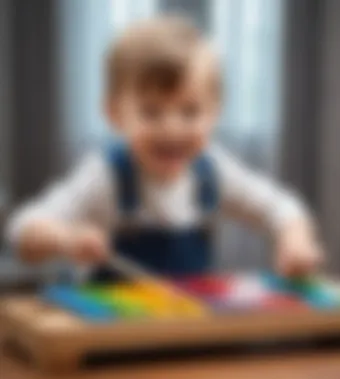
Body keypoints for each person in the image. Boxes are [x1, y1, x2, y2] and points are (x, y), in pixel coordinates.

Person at [6, 16, 323, 282]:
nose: (171, 129)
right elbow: (22, 229)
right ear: (115, 114)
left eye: (190, 112)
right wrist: (66, 239)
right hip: (113, 338)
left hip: (187, 331)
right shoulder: (106, 176)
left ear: (215, 112)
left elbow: (281, 208)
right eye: (151, 112)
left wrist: (295, 241)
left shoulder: (213, 170)